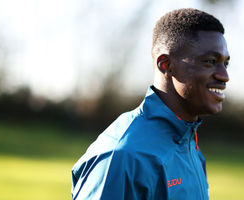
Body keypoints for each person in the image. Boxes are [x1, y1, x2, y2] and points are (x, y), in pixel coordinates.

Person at [71, 8, 229, 200]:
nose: (224, 76)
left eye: (225, 63)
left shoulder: (188, 142)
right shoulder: (123, 156)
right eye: (210, 61)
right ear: (166, 65)